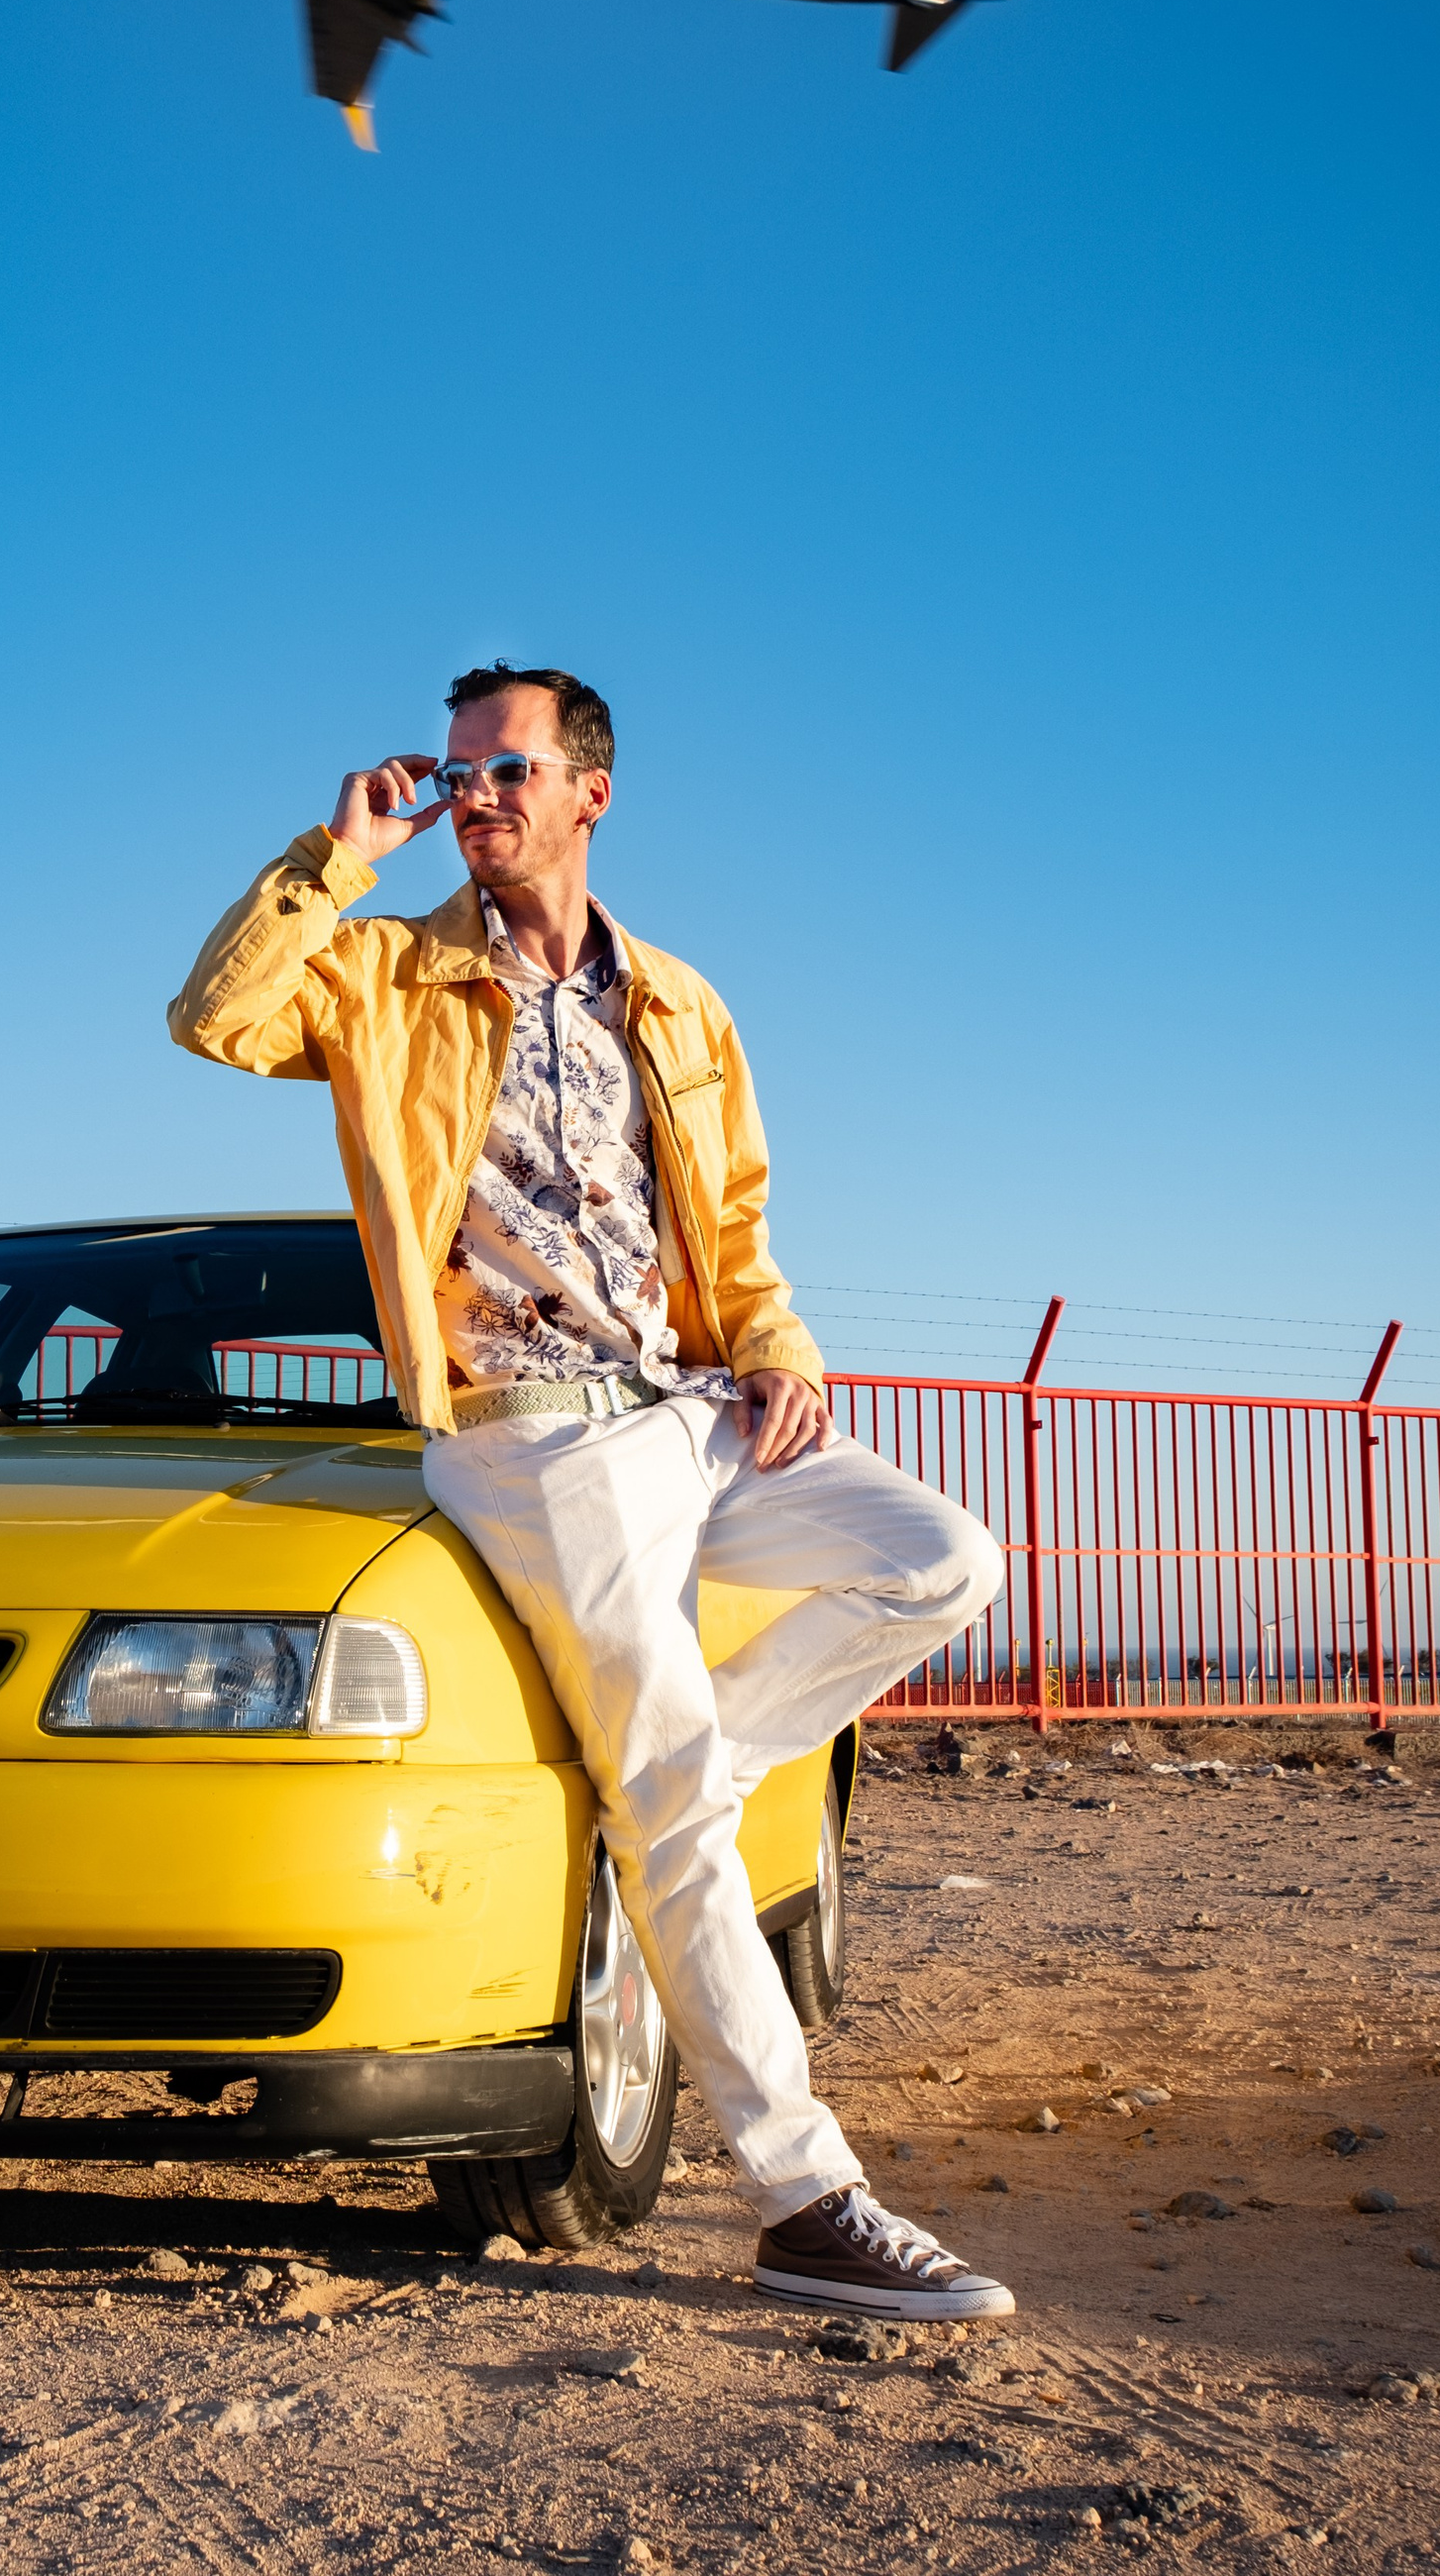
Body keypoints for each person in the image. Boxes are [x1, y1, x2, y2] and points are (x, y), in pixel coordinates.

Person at [167, 662, 1013, 2318]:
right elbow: (214, 1018)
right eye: (457, 773)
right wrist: (337, 853)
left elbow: (742, 1223)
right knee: (685, 1797)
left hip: (695, 1411)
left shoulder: (681, 1002)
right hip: (532, 1430)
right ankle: (805, 2194)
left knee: (943, 1561)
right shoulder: (388, 975)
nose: (473, 796)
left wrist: (778, 1349)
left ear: (590, 792)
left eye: (505, 771)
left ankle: (646, 1805)